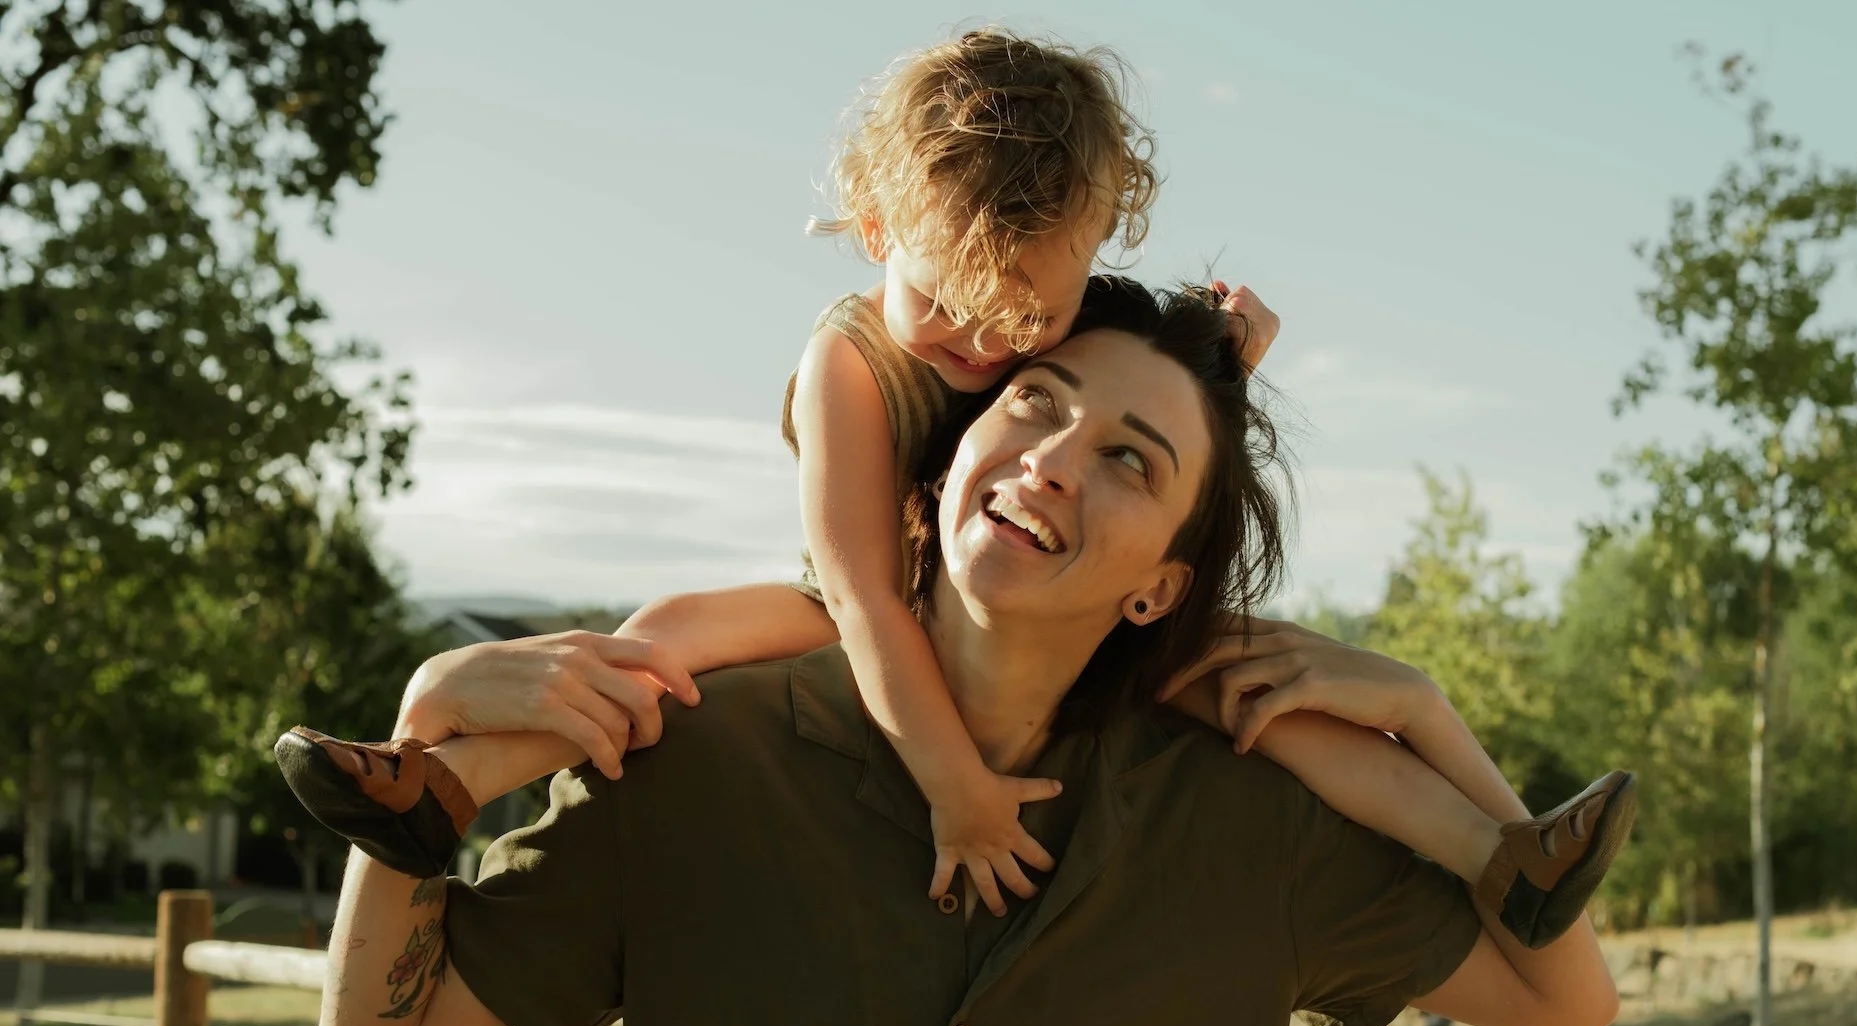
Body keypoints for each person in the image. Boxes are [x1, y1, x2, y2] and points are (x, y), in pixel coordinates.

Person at [308, 280, 1626, 1026]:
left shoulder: (1247, 827)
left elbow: (1568, 999)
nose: (1055, 460)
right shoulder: (705, 767)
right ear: (947, 461)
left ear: (1161, 590)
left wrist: (1431, 717)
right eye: (1038, 402)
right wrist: (426, 739)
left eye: (1130, 459)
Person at [279, 28, 1627, 946]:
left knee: (1274, 694)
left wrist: (1231, 354)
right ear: (874, 228)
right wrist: (954, 789)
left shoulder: (1057, 301)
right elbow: (863, 592)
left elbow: (1156, 410)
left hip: (1036, 609)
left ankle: (1503, 853)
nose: (985, 348)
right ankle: (442, 785)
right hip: (869, 603)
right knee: (664, 644)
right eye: (949, 306)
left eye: (1023, 322)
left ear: (1097, 241)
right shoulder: (851, 362)